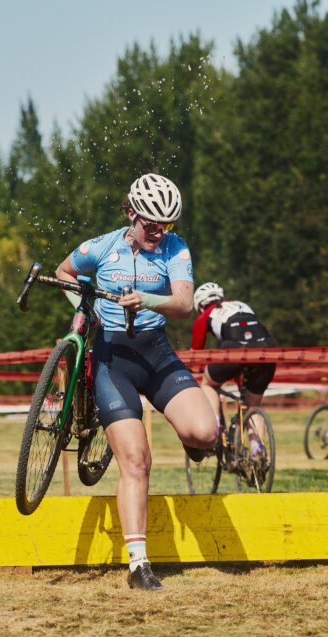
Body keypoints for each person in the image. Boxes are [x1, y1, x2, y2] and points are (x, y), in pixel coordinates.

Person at [55, 173, 215, 591]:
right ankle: (138, 565)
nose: (159, 232)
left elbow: (184, 302)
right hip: (113, 360)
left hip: (155, 352)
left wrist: (148, 300)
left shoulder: (175, 248)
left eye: (167, 225)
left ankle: (191, 439)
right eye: (151, 224)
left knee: (204, 432)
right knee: (137, 460)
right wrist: (84, 309)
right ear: (131, 213)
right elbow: (64, 272)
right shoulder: (102, 246)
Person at [190, 282, 276, 457]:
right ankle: (257, 450)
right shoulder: (242, 305)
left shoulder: (206, 315)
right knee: (253, 405)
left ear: (200, 306)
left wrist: (193, 369)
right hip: (267, 350)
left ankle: (214, 429)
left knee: (208, 384)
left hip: (235, 350)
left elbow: (195, 354)